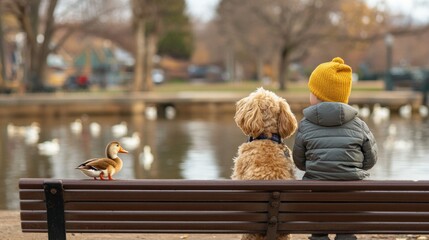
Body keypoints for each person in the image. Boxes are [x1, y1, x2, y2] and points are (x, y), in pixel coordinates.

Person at [293, 57, 378, 240]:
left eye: (311, 91)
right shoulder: (359, 125)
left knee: (318, 226)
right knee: (347, 226)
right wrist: (349, 168)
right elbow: (370, 160)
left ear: (318, 95)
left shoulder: (305, 126)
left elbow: (299, 162)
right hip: (351, 199)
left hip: (316, 200)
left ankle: (319, 236)